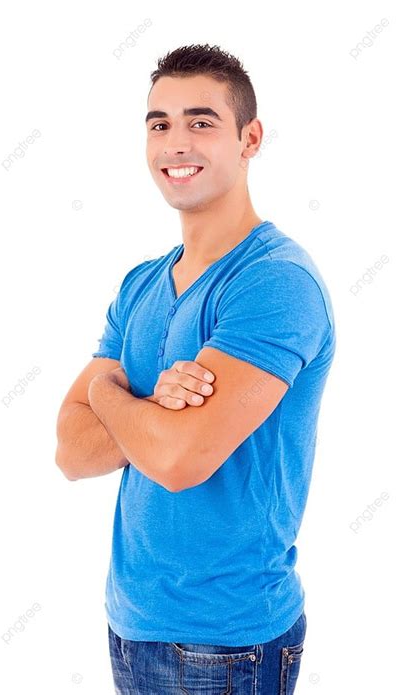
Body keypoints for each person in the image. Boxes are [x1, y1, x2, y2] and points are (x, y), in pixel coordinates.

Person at [56, 43, 336, 694]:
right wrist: (156, 405)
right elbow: (70, 449)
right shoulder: (140, 285)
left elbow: (183, 460)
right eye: (160, 124)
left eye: (201, 122)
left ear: (250, 138)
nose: (176, 143)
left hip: (227, 643)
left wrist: (107, 389)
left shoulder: (274, 282)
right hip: (131, 623)